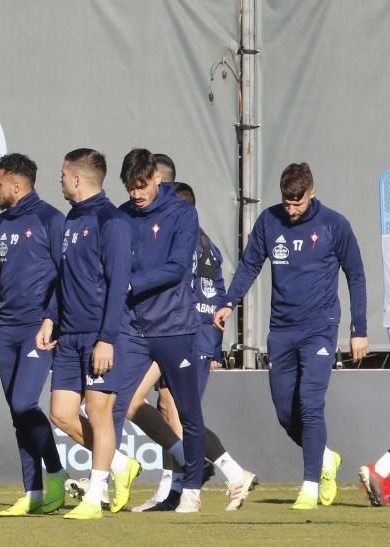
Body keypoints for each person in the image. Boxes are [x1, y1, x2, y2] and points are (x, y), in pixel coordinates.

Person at [215, 162, 368, 510]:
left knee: (311, 404)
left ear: (312, 192)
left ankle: (310, 486)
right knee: (287, 414)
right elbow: (250, 265)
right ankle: (326, 458)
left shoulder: (334, 224)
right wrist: (229, 302)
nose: (291, 208)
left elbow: (356, 276)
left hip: (320, 326)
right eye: (287, 201)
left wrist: (359, 330)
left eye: (297, 202)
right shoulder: (270, 221)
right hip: (281, 330)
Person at [128, 166, 257, 512]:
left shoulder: (196, 246)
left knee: (176, 412)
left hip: (189, 334)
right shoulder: (186, 240)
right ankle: (179, 486)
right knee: (156, 407)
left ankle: (208, 478)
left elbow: (210, 297)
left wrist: (212, 345)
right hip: (166, 330)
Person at [35, 148, 135, 519]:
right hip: (69, 335)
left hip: (100, 335)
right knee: (60, 413)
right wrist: (50, 318)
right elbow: (65, 281)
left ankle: (95, 496)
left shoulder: (112, 222)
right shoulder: (70, 221)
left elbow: (118, 284)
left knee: (98, 411)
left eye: (62, 174)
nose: (59, 180)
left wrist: (107, 338)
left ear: (77, 179)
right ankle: (120, 464)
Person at [0, 153, 68, 517]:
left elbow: (65, 276)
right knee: (18, 413)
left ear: (16, 184)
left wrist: (52, 319)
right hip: (7, 329)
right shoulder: (0, 224)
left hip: (38, 329)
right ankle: (34, 492)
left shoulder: (51, 219)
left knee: (26, 402)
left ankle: (56, 473)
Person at [117, 148, 206, 513]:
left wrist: (130, 284)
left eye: (141, 186)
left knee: (186, 411)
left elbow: (176, 268)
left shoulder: (182, 213)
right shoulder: (120, 215)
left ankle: (192, 490)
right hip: (132, 330)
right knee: (116, 404)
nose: (136, 194)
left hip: (173, 327)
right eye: (130, 188)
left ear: (156, 179)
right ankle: (105, 482)